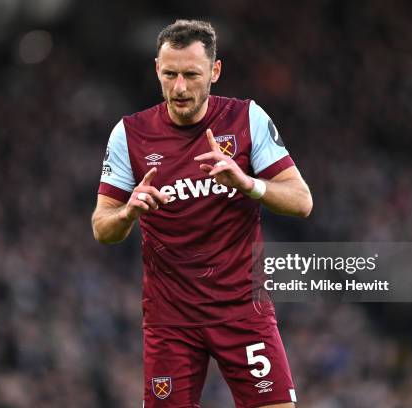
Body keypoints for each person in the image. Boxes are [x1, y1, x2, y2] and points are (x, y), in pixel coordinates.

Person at [92, 19, 312, 408]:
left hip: (243, 310)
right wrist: (128, 212)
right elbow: (102, 228)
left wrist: (248, 184)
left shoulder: (246, 119)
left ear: (214, 71)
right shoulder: (129, 134)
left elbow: (301, 201)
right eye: (169, 74)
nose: (179, 87)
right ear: (156, 70)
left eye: (191, 74)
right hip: (170, 320)